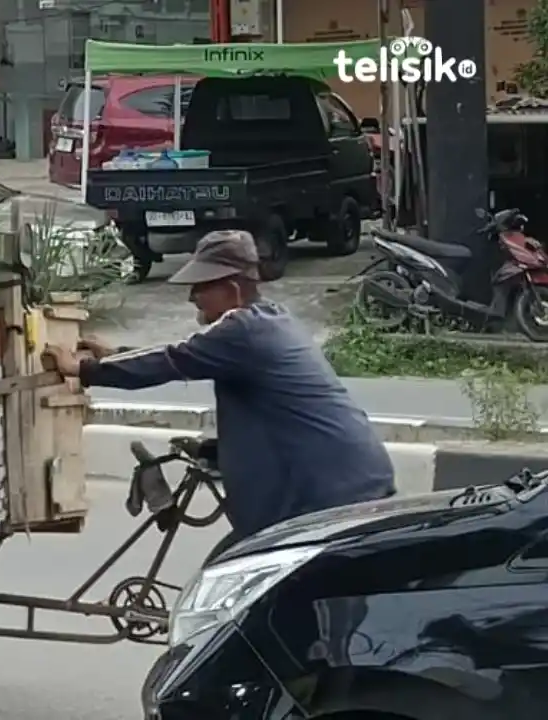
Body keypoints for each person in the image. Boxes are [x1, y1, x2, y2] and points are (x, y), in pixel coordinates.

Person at [42, 230, 396, 564]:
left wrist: (81, 369)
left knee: (233, 589)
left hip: (330, 501)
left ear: (232, 289)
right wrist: (114, 354)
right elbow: (184, 355)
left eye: (200, 287)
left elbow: (172, 360)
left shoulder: (241, 332)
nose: (192, 296)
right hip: (346, 486)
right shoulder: (269, 320)